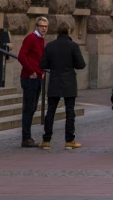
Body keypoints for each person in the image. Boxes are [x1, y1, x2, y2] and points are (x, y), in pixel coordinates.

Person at [38, 22, 86, 149]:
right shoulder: (73, 46)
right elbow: (81, 64)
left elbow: (43, 64)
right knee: (70, 112)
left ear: (57, 32)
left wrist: (54, 66)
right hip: (69, 81)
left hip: (55, 80)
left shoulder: (50, 46)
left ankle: (46, 140)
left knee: (51, 111)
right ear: (68, 31)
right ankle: (69, 140)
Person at [16, 16, 48, 147]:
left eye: (46, 26)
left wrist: (43, 70)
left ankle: (27, 136)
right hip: (30, 78)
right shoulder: (31, 38)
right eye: (41, 26)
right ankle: (26, 138)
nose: (44, 28)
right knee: (29, 108)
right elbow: (21, 56)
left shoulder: (41, 39)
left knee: (33, 107)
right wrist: (32, 71)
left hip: (38, 77)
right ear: (36, 27)